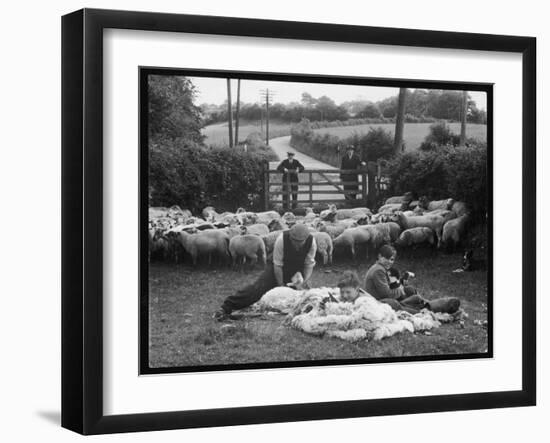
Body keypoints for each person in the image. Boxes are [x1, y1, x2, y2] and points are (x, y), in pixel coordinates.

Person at [214, 223, 317, 321]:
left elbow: (308, 264)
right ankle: (227, 306)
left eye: (300, 242)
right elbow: (278, 265)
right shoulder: (282, 240)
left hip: (297, 271)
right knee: (258, 288)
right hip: (277, 267)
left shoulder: (311, 243)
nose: (296, 244)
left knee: (305, 296)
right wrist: (281, 286)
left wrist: (304, 280)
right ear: (290, 237)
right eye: (294, 240)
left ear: (305, 239)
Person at [364, 245, 460, 314]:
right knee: (411, 300)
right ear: (380, 256)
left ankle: (426, 304)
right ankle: (429, 308)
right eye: (386, 258)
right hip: (380, 302)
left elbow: (390, 287)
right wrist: (400, 290)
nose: (389, 262)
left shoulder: (380, 268)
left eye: (392, 259)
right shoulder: (378, 271)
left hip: (385, 298)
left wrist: (401, 285)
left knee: (410, 290)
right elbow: (386, 294)